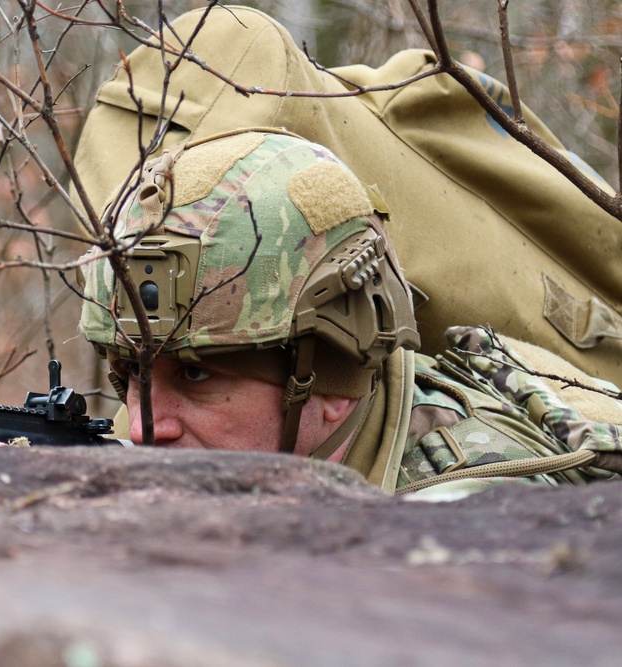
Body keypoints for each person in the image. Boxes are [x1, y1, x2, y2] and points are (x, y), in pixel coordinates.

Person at [75, 129, 622, 496]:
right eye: (131, 372)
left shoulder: (465, 519)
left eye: (196, 374)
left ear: (331, 381)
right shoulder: (260, 439)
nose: (144, 426)